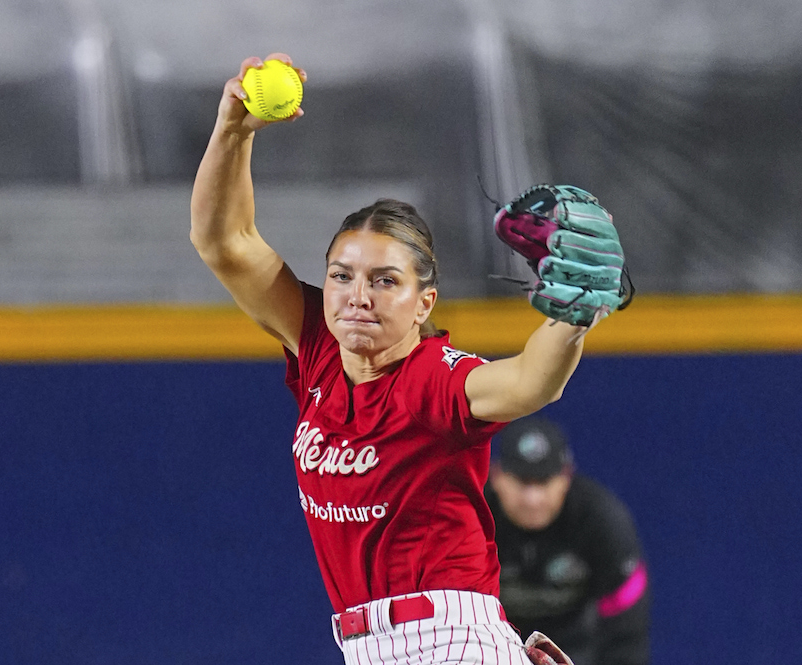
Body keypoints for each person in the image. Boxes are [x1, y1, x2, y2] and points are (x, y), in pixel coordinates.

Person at [190, 53, 608, 665]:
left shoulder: (431, 381)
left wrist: (571, 318)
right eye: (341, 275)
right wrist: (232, 130)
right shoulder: (319, 352)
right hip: (372, 647)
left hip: (449, 640)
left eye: (385, 280)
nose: (358, 295)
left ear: (423, 303)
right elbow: (223, 241)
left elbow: (529, 383)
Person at [486, 417, 650, 665]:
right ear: (497, 477)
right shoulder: (472, 516)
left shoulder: (601, 519)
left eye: (543, 482)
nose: (533, 499)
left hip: (575, 650)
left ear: (565, 478)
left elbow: (627, 623)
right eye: (521, 482)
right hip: (487, 649)